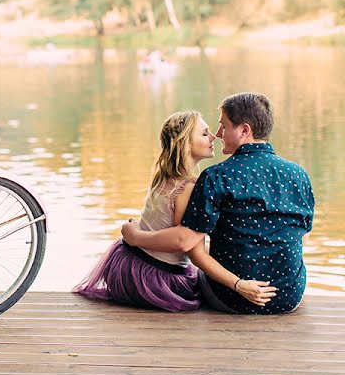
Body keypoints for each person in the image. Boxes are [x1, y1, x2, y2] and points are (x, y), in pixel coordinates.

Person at [122, 93, 315, 314]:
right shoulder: (299, 174)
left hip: (232, 299)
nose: (218, 134)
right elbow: (303, 237)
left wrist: (239, 284)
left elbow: (189, 245)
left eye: (223, 126)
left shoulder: (216, 176)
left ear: (244, 130)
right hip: (288, 296)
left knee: (197, 272)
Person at [73, 110, 274, 311]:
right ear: (185, 143)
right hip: (155, 281)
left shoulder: (163, 176)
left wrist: (135, 236)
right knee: (208, 280)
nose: (214, 136)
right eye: (205, 134)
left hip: (127, 267)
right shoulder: (189, 188)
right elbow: (186, 245)